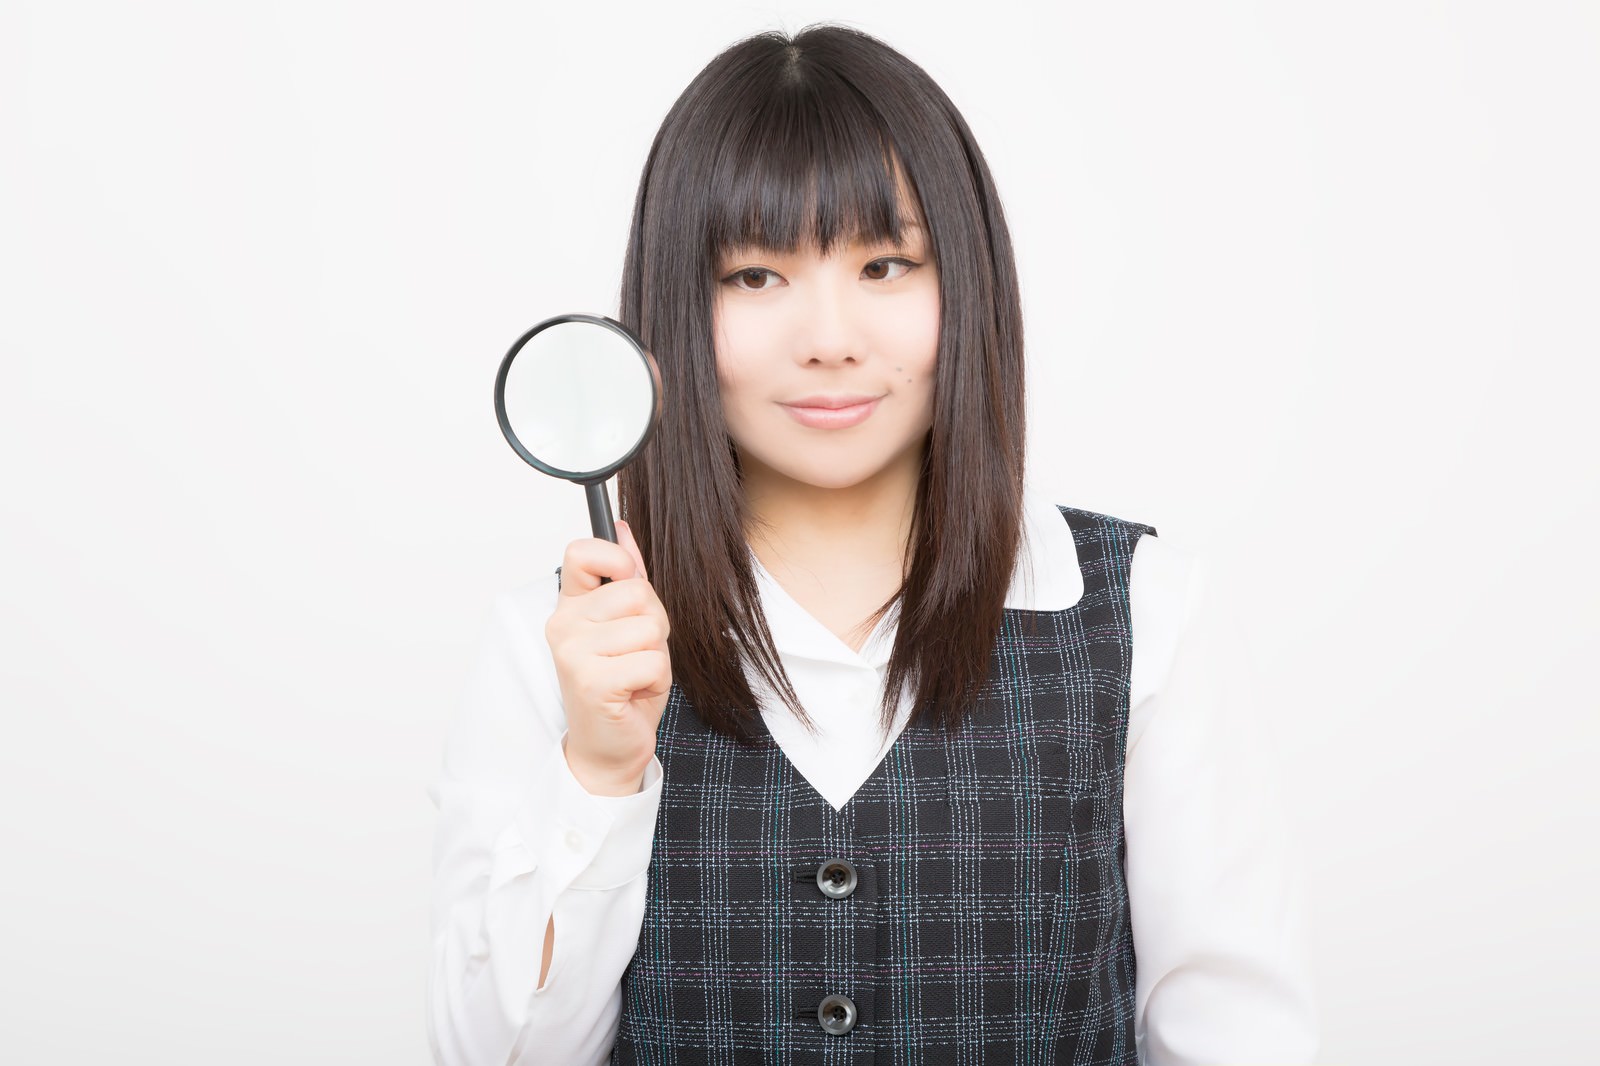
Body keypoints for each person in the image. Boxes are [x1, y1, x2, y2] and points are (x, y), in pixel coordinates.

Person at [429, 24, 1318, 1066]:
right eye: (756, 276)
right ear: (676, 307)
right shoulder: (557, 644)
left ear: (965, 288)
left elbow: (1240, 1039)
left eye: (885, 264)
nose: (829, 336)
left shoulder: (1144, 616)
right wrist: (598, 769)